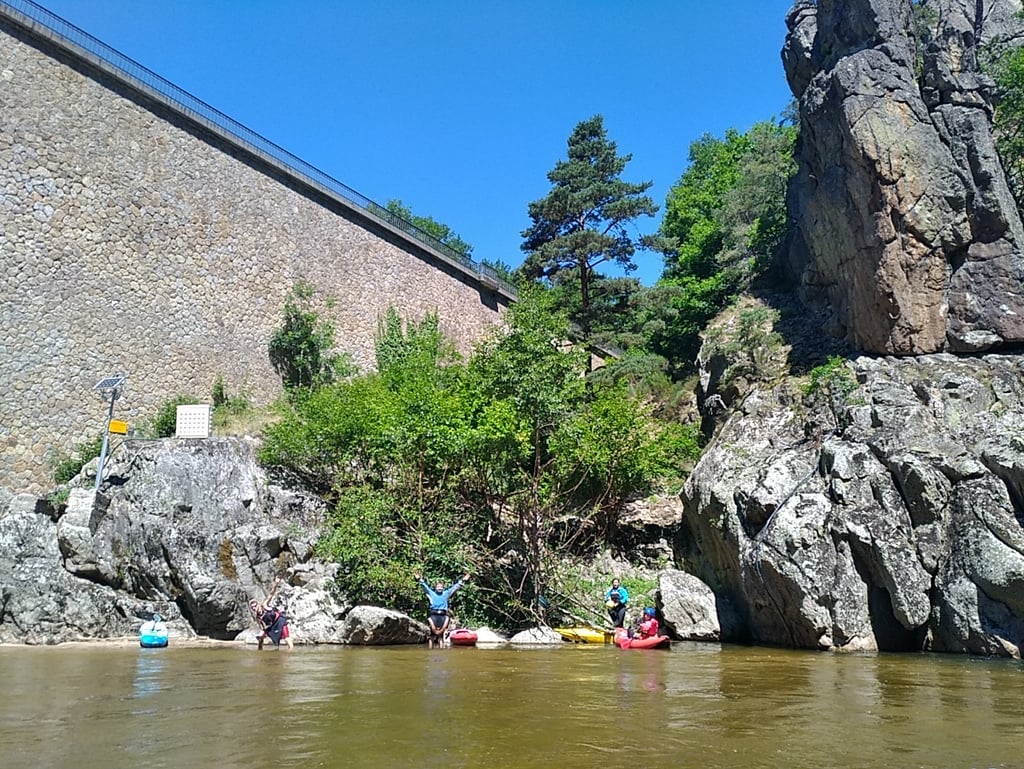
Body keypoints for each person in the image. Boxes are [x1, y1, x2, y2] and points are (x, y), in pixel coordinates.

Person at [416, 572, 470, 648]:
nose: (439, 588)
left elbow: (455, 587)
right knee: (432, 636)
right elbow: (425, 587)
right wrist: (419, 579)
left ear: (443, 588)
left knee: (441, 637)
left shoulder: (446, 593)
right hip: (434, 615)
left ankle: (441, 651)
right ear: (435, 588)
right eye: (438, 587)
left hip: (442, 616)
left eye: (441, 587)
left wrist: (463, 580)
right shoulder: (432, 593)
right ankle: (430, 650)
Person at [250, 580, 293, 651]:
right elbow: (262, 627)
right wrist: (263, 634)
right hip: (272, 625)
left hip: (280, 620)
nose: (254, 608)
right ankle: (260, 652)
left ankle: (291, 650)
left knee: (286, 637)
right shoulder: (258, 617)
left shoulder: (264, 605)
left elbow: (270, 595)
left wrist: (275, 584)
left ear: (258, 604)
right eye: (252, 608)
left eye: (255, 606)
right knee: (260, 638)